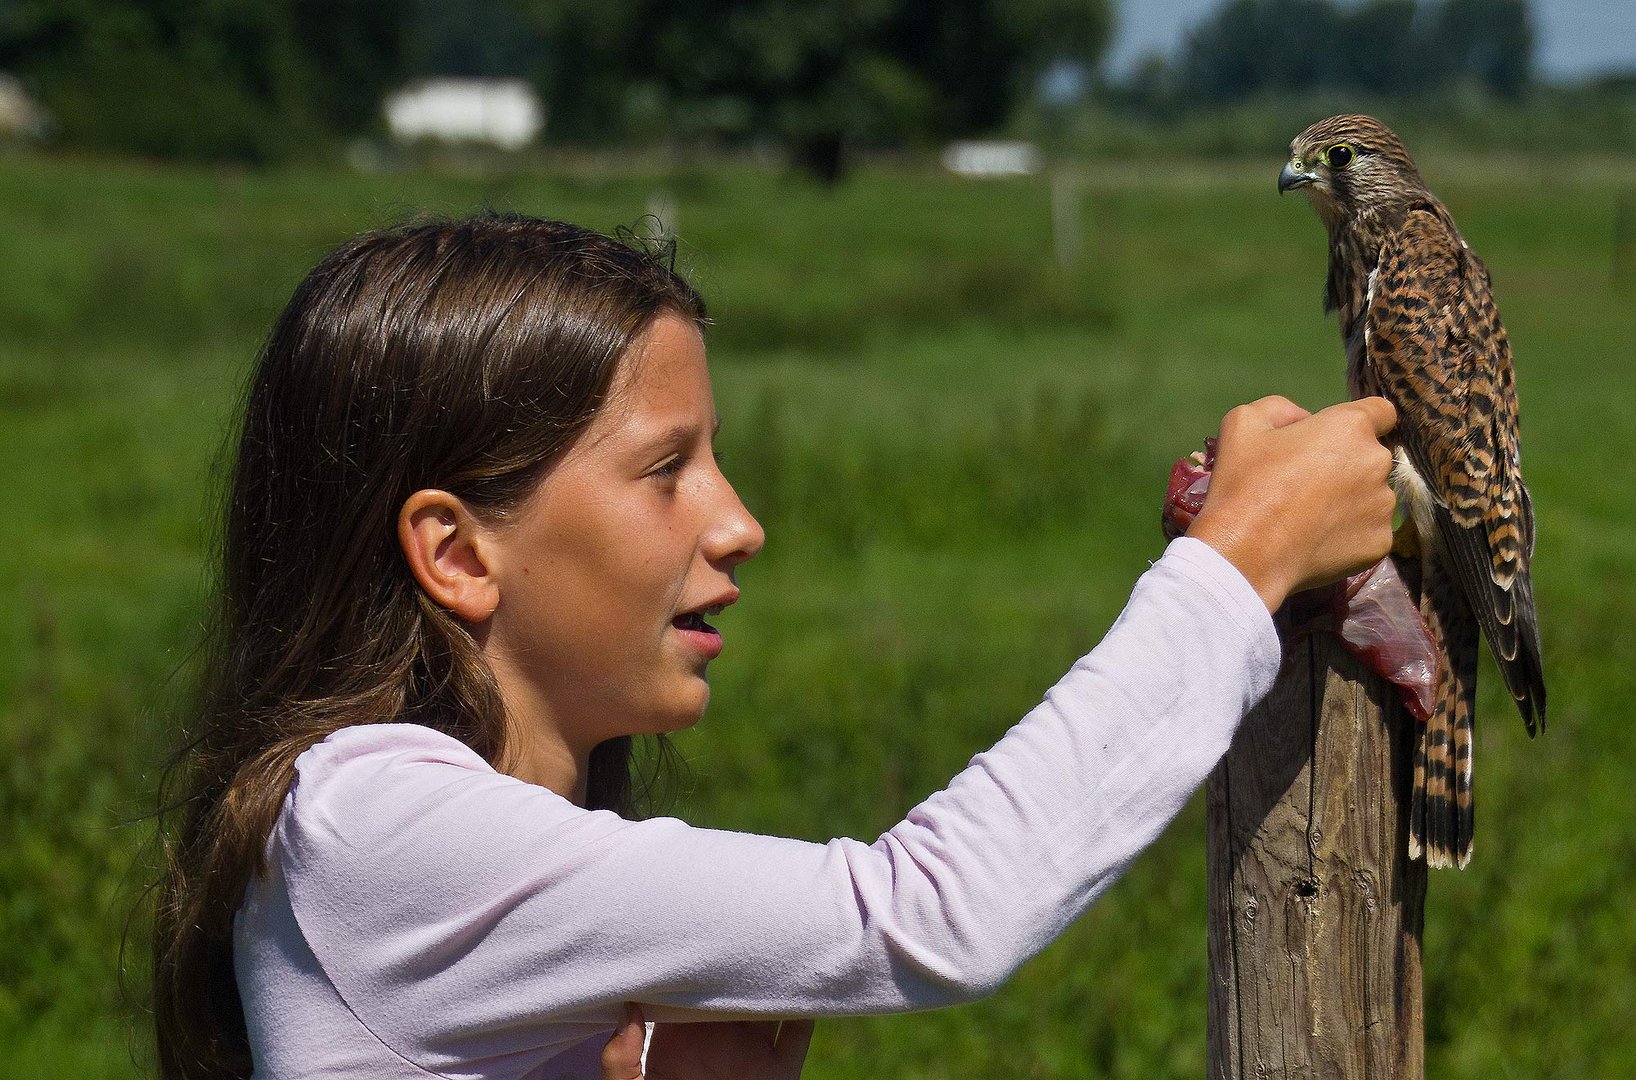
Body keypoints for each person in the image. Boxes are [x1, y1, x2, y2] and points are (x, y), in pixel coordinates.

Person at [149, 213, 1398, 1080]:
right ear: (459, 553)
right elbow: (928, 914)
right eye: (663, 472)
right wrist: (1241, 562)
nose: (739, 522)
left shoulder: (444, 858)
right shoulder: (368, 825)